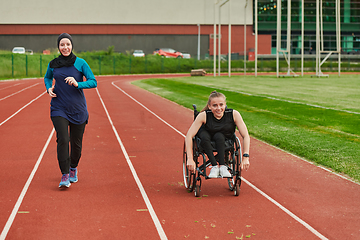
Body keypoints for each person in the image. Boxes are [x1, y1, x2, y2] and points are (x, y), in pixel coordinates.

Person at [44, 33, 97, 188]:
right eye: (62, 45)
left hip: (78, 109)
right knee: (63, 140)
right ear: (58, 47)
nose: (65, 47)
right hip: (58, 107)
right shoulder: (53, 63)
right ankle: (65, 174)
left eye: (67, 44)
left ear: (72, 45)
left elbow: (93, 82)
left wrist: (78, 83)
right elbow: (47, 77)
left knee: (76, 144)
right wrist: (48, 88)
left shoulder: (80, 63)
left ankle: (73, 167)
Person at [185, 91, 250, 178]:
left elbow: (245, 135)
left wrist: (246, 157)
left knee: (219, 136)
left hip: (222, 138)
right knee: (204, 136)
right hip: (206, 136)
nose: (218, 108)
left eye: (221, 105)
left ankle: (223, 167)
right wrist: (190, 159)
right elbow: (189, 136)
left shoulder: (234, 114)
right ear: (209, 106)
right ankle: (214, 166)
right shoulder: (203, 115)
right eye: (214, 105)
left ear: (225, 105)